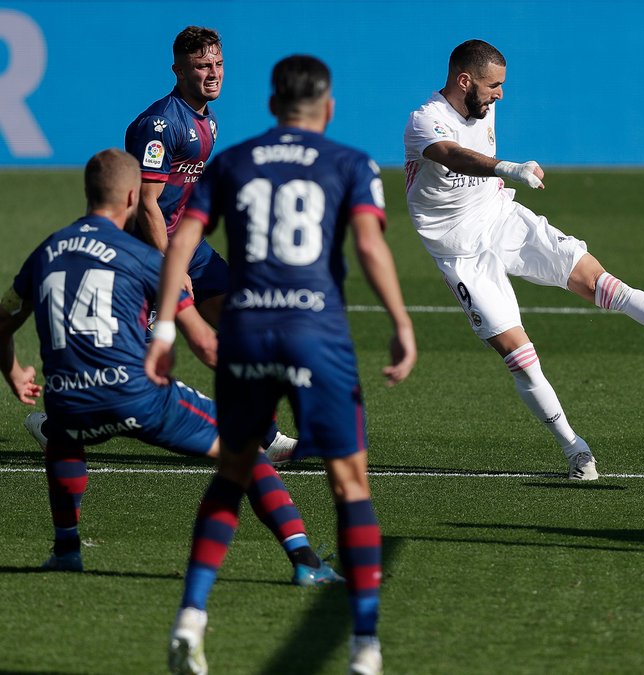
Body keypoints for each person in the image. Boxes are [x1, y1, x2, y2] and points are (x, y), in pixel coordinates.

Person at [146, 55, 416, 675]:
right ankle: (365, 647)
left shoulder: (233, 161)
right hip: (316, 334)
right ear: (328, 107)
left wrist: (165, 326)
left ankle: (191, 616)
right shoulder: (351, 162)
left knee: (233, 474)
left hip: (246, 332)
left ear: (272, 105)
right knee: (350, 485)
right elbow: (371, 245)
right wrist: (401, 323)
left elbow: (181, 238)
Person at [0, 148, 339, 585]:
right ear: (131, 199)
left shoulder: (46, 252)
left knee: (64, 434)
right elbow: (203, 342)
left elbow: (2, 323)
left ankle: (66, 550)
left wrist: (13, 373)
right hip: (135, 395)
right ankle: (307, 562)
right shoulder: (144, 258)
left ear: (88, 194)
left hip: (68, 398)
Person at [403, 39, 644, 480]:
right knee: (519, 355)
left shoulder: (482, 106)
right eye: (493, 85)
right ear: (464, 81)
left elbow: (476, 144)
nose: (500, 94)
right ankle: (575, 449)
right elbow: (452, 154)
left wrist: (504, 177)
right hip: (461, 252)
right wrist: (506, 167)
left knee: (603, 284)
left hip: (502, 218)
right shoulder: (425, 121)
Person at [124, 26, 229, 326]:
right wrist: (169, 263)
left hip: (187, 244)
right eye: (202, 66)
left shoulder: (209, 121)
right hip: (146, 249)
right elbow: (147, 202)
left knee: (239, 317)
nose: (213, 74)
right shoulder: (161, 125)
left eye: (218, 64)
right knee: (146, 350)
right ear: (179, 71)